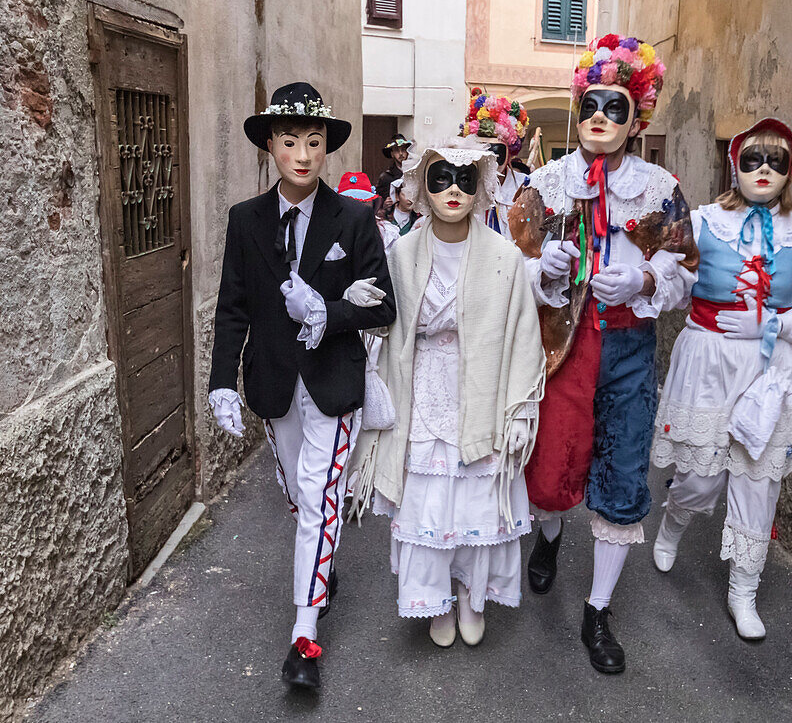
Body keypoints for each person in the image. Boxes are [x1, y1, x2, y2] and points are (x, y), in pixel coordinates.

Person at [507, 35, 698, 674]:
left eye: (615, 108)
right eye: (591, 103)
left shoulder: (661, 189)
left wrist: (646, 280)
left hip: (627, 349)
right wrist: (544, 272)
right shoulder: (543, 184)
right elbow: (511, 268)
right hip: (561, 343)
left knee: (619, 477)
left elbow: (688, 273)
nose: (600, 118)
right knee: (553, 461)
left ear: (636, 116)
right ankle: (550, 538)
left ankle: (597, 610)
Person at [208, 82, 396, 689]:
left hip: (335, 383)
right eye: (291, 141)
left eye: (314, 142)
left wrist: (327, 310)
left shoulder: (354, 219)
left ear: (326, 148)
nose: (304, 154)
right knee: (300, 498)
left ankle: (304, 637)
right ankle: (321, 564)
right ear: (271, 145)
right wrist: (220, 383)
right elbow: (232, 308)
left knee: (318, 500)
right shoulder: (245, 220)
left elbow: (382, 306)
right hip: (273, 384)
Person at [649, 118, 792, 640]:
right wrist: (644, 284)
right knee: (699, 477)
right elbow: (672, 281)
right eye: (752, 158)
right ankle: (674, 521)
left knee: (758, 481)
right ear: (734, 163)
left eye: (775, 160)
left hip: (771, 369)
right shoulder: (704, 220)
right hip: (707, 361)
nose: (762, 169)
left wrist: (774, 322)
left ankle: (744, 591)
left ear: (791, 170)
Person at [351, 137, 545, 649]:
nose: (453, 190)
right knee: (429, 502)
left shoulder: (504, 257)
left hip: (481, 391)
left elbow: (525, 333)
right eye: (441, 179)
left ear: (480, 187)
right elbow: (384, 326)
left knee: (474, 499)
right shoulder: (402, 253)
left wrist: (521, 406)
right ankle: (434, 599)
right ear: (422, 186)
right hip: (421, 396)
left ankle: (469, 595)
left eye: (464, 179)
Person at [457, 88, 529, 238]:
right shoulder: (461, 185)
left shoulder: (526, 187)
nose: (490, 159)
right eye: (484, 152)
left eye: (496, 153)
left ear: (509, 153)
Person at [377, 177, 421, 245]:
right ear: (397, 196)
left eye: (413, 195)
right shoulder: (385, 216)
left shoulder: (418, 219)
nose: (410, 199)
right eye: (406, 194)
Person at [376, 132, 413, 204]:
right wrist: (384, 205)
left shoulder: (414, 173)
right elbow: (379, 201)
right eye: (396, 150)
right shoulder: (386, 177)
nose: (401, 153)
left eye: (403, 150)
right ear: (392, 154)